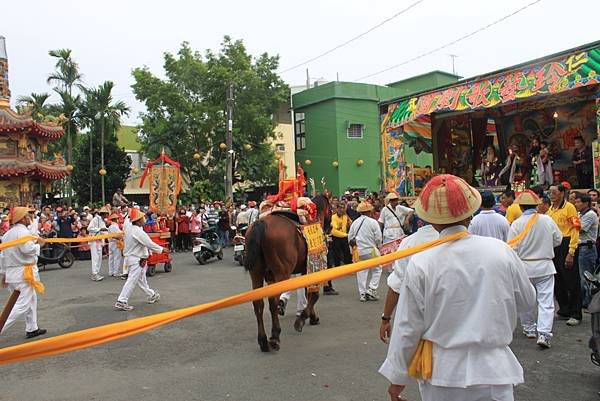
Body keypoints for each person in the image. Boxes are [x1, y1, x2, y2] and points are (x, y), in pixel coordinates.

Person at [379, 174, 536, 401]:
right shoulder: (501, 251)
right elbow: (527, 301)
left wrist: (397, 379)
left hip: (443, 374)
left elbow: (407, 327)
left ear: (430, 220)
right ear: (471, 213)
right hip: (494, 372)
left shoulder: (422, 262)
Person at [509, 190, 562, 348]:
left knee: (526, 299)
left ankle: (529, 328)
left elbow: (511, 248)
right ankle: (544, 333)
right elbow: (558, 240)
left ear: (521, 207)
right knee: (546, 301)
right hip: (545, 266)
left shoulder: (517, 224)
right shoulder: (547, 220)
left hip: (524, 266)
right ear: (537, 205)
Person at [380, 220, 438, 344]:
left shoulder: (409, 243)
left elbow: (396, 286)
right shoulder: (469, 244)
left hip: (416, 319)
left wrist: (386, 318)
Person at [0, 207, 47, 338]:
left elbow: (2, 257)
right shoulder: (23, 233)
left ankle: (32, 328)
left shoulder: (7, 234)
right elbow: (28, 249)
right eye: (27, 215)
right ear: (22, 218)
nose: (30, 217)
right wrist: (40, 244)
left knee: (30, 300)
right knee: (21, 305)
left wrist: (3, 274)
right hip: (23, 273)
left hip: (12, 273)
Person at [115, 208, 167, 311]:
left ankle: (151, 294)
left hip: (134, 258)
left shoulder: (129, 228)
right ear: (138, 221)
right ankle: (122, 300)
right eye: (142, 218)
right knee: (132, 280)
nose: (144, 219)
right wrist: (162, 249)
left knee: (141, 279)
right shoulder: (137, 231)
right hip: (136, 259)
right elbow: (149, 244)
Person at [547, 184, 581, 326]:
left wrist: (571, 251)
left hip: (567, 244)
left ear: (562, 193)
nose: (551, 195)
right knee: (558, 279)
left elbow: (575, 228)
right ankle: (564, 309)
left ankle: (575, 313)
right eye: (550, 192)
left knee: (571, 280)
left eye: (554, 192)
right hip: (554, 246)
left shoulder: (569, 208)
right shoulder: (550, 210)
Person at [348, 202, 382, 302]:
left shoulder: (355, 222)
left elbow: (350, 237)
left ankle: (362, 294)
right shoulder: (373, 222)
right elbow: (378, 238)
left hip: (359, 251)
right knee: (377, 268)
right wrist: (379, 246)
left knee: (361, 271)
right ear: (369, 211)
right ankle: (372, 289)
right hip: (371, 250)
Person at [573, 192, 598, 314]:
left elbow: (580, 228)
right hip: (580, 247)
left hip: (587, 248)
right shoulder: (579, 214)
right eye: (575, 202)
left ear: (586, 203)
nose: (576, 204)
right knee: (580, 276)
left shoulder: (591, 215)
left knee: (586, 277)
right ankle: (584, 301)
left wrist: (570, 219)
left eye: (578, 202)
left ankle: (589, 303)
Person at [88, 206, 110, 281]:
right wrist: (99, 229)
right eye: (107, 214)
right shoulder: (95, 219)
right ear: (104, 214)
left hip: (100, 241)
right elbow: (89, 228)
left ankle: (97, 272)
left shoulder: (103, 221)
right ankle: (94, 274)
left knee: (99, 258)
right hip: (94, 241)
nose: (107, 216)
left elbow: (105, 231)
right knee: (95, 258)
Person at [107, 213, 124, 278]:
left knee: (111, 258)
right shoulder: (115, 226)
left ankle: (111, 271)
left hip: (110, 243)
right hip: (115, 242)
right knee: (117, 257)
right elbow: (118, 235)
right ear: (116, 219)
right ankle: (116, 272)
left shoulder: (110, 226)